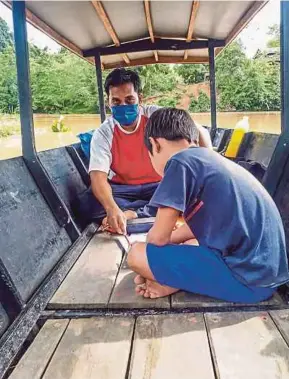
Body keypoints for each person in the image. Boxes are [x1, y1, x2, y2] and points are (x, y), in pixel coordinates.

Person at [127, 108, 289, 303]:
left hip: (247, 280)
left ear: (154, 143)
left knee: (136, 255)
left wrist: (148, 264)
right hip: (266, 274)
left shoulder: (179, 162)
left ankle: (168, 279)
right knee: (189, 243)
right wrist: (170, 249)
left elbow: (158, 239)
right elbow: (195, 227)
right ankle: (172, 281)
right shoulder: (209, 159)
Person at [74, 68, 212, 234]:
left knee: (190, 192)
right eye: (116, 102)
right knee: (85, 204)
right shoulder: (104, 133)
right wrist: (111, 208)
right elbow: (98, 177)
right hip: (122, 189)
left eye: (129, 99)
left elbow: (198, 130)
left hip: (159, 184)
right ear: (108, 102)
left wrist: (209, 166)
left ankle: (135, 214)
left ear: (140, 98)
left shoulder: (155, 115)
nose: (123, 106)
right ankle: (153, 211)